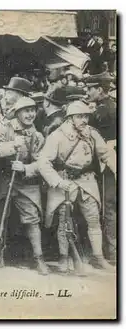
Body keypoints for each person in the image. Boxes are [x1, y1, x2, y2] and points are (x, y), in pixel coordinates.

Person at [38, 100, 116, 272]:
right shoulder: (57, 135)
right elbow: (43, 162)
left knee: (94, 219)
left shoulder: (92, 134)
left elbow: (106, 154)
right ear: (70, 118)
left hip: (87, 181)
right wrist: (58, 181)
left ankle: (98, 257)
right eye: (80, 116)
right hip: (64, 182)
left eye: (86, 116)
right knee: (64, 223)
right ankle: (63, 257)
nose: (84, 120)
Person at [0, 97, 49, 275]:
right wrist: (11, 147)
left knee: (32, 219)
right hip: (4, 179)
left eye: (33, 110)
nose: (31, 114)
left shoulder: (37, 135)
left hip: (25, 182)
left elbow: (42, 163)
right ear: (17, 113)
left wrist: (25, 167)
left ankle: (39, 258)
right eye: (26, 110)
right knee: (0, 218)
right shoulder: (3, 128)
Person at [84, 71, 117, 263]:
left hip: (107, 162)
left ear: (99, 89)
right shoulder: (113, 105)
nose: (88, 92)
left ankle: (112, 252)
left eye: (90, 89)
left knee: (107, 207)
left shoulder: (101, 111)